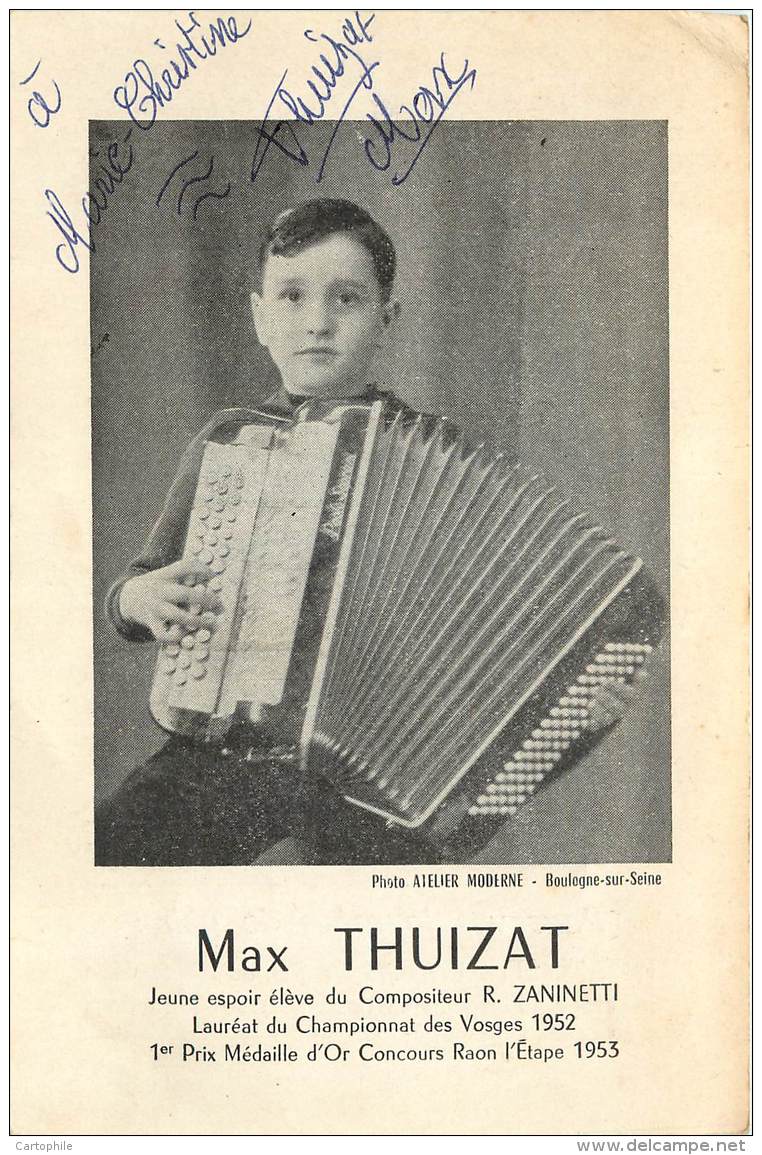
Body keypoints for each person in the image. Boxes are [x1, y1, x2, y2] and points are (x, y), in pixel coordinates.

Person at [96, 198, 637, 867]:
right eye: (292, 296)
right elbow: (133, 588)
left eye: (346, 299)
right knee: (116, 845)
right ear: (259, 316)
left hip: (365, 787)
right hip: (227, 743)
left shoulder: (437, 461)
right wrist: (138, 600)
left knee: (391, 886)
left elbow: (493, 662)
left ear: (387, 319)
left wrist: (568, 724)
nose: (317, 322)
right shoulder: (228, 443)